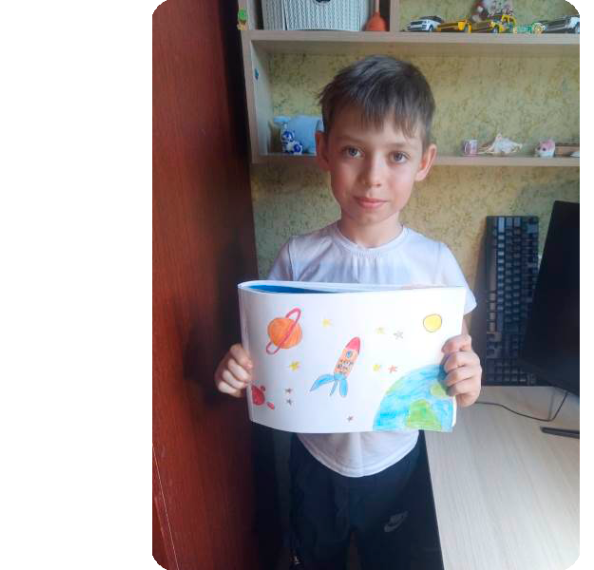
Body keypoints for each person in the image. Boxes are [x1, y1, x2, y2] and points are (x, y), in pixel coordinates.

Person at [214, 55, 482, 570]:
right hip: (316, 462)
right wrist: (239, 369)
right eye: (353, 150)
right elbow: (265, 356)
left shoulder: (435, 264)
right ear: (323, 150)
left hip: (397, 462)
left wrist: (467, 384)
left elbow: (460, 361)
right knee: (316, 559)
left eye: (397, 156)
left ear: (424, 162)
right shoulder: (298, 257)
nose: (372, 177)